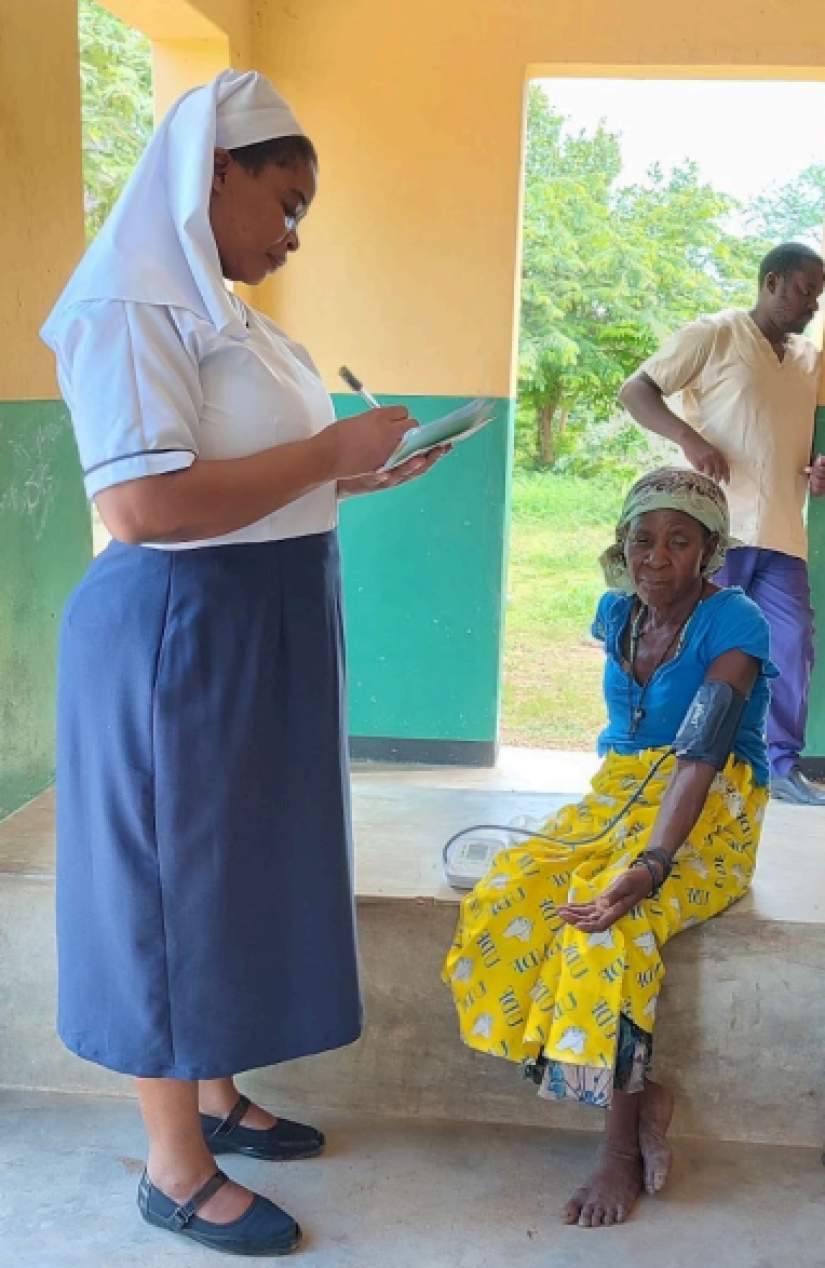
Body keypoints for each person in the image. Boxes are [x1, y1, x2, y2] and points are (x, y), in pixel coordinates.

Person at [41, 70, 448, 1258]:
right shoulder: (128, 304)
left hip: (257, 618)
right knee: (168, 885)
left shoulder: (228, 314)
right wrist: (327, 447)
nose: (292, 229)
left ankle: (217, 1091)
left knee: (226, 871)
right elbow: (142, 505)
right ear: (211, 169)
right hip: (180, 631)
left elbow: (250, 476)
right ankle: (174, 1164)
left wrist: (351, 473)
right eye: (285, 198)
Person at [443, 467, 775, 1229]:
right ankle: (637, 1092)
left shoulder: (735, 621)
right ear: (621, 547)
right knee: (506, 893)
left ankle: (617, 1147)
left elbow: (701, 749)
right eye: (641, 538)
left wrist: (647, 866)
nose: (655, 556)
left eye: (677, 541)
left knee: (613, 928)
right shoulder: (613, 613)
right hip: (616, 792)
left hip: (710, 804)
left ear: (707, 552)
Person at [619, 242, 825, 805]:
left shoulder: (810, 359)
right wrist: (688, 437)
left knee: (792, 645)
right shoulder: (716, 334)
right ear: (772, 281)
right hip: (715, 531)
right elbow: (635, 390)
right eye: (806, 289)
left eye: (819, 293)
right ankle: (687, 761)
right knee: (703, 644)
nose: (813, 303)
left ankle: (779, 767)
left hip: (783, 530)